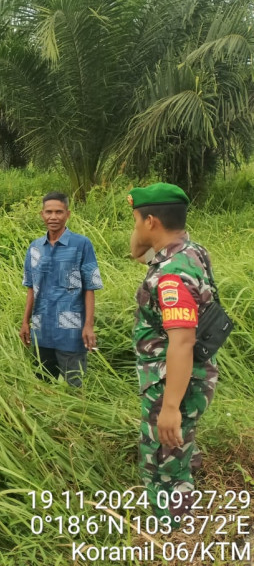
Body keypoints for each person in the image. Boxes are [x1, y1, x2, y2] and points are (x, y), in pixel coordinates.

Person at [128, 183, 218, 524]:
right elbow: (138, 253)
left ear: (151, 221)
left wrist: (168, 408)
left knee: (163, 464)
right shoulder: (191, 251)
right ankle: (181, 484)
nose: (134, 228)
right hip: (194, 375)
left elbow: (181, 341)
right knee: (177, 450)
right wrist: (143, 230)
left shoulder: (171, 276)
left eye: (136, 220)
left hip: (174, 382)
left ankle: (173, 528)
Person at [19, 191, 103, 386]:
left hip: (71, 332)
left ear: (68, 214)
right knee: (42, 386)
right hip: (42, 331)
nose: (53, 217)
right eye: (49, 212)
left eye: (58, 212)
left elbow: (90, 287)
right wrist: (25, 322)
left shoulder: (81, 244)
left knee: (76, 387)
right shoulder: (35, 248)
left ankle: (76, 417)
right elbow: (31, 288)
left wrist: (89, 325)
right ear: (42, 214)